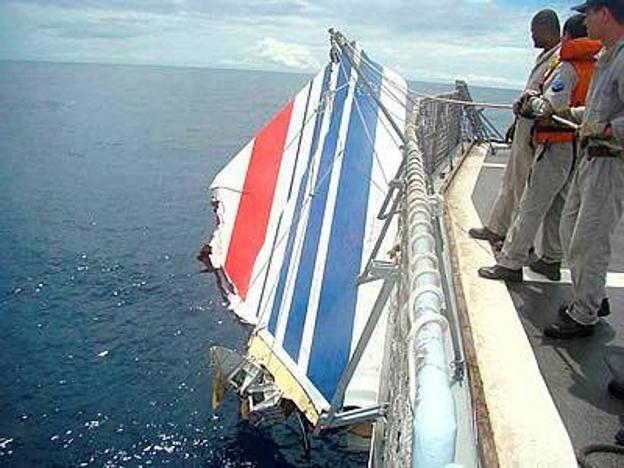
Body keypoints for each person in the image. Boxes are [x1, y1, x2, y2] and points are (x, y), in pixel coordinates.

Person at [478, 15, 603, 283]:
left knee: (531, 204)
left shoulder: (567, 68)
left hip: (556, 146)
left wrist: (529, 103)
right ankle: (550, 259)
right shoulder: (597, 67)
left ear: (567, 35)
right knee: (560, 204)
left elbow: (550, 107)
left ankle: (511, 262)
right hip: (578, 147)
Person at [544, 0, 624, 339]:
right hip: (591, 161)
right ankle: (594, 297)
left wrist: (605, 130)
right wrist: (576, 117)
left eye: (589, 13)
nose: (583, 20)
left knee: (589, 240)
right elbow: (595, 111)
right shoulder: (607, 58)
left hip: (608, 163)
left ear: (604, 14)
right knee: (570, 231)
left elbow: (611, 122)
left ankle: (584, 315)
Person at [469, 9, 561, 246]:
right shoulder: (548, 56)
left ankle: (522, 244)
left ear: (545, 29)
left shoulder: (558, 59)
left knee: (523, 188)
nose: (532, 36)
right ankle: (497, 228)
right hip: (524, 127)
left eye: (534, 31)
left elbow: (546, 101)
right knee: (510, 181)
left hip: (534, 134)